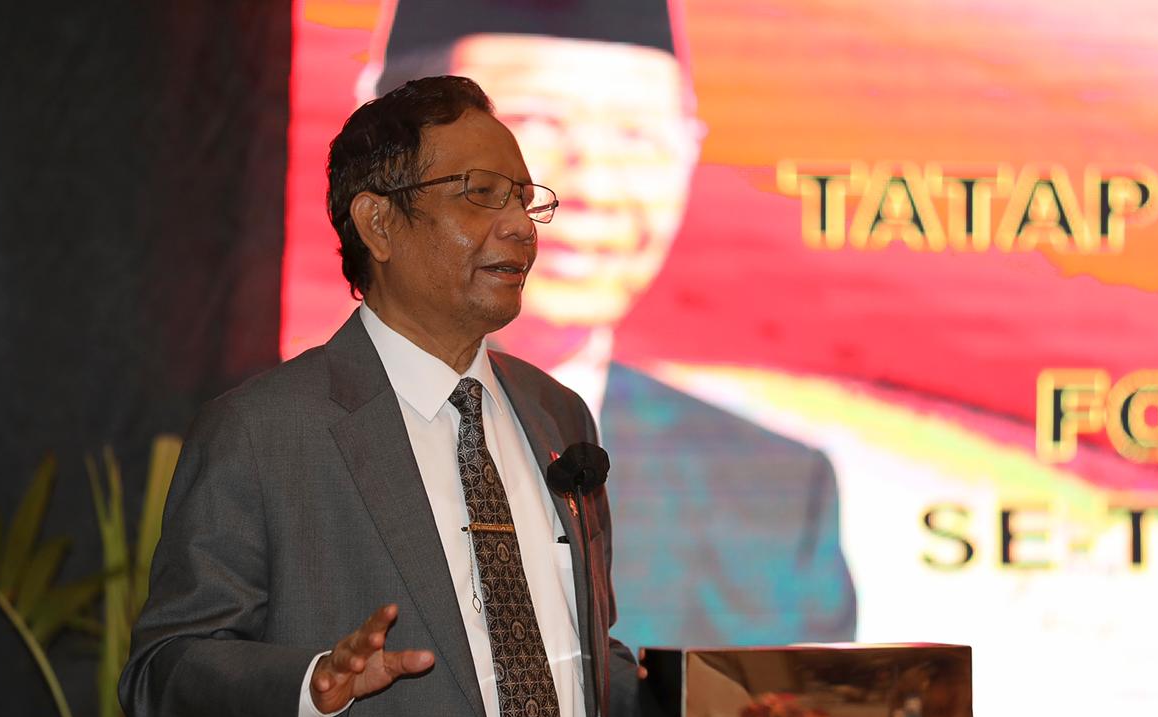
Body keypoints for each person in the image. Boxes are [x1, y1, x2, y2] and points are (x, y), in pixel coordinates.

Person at [119, 76, 638, 717]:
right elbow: (162, 679)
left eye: (525, 200)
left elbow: (577, 658)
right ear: (380, 223)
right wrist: (310, 688)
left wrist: (727, 704)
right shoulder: (262, 431)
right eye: (481, 194)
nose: (519, 228)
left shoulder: (557, 415)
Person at [361, 0, 858, 648]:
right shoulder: (283, 440)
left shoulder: (774, 497)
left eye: (637, 138)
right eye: (535, 126)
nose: (593, 185)